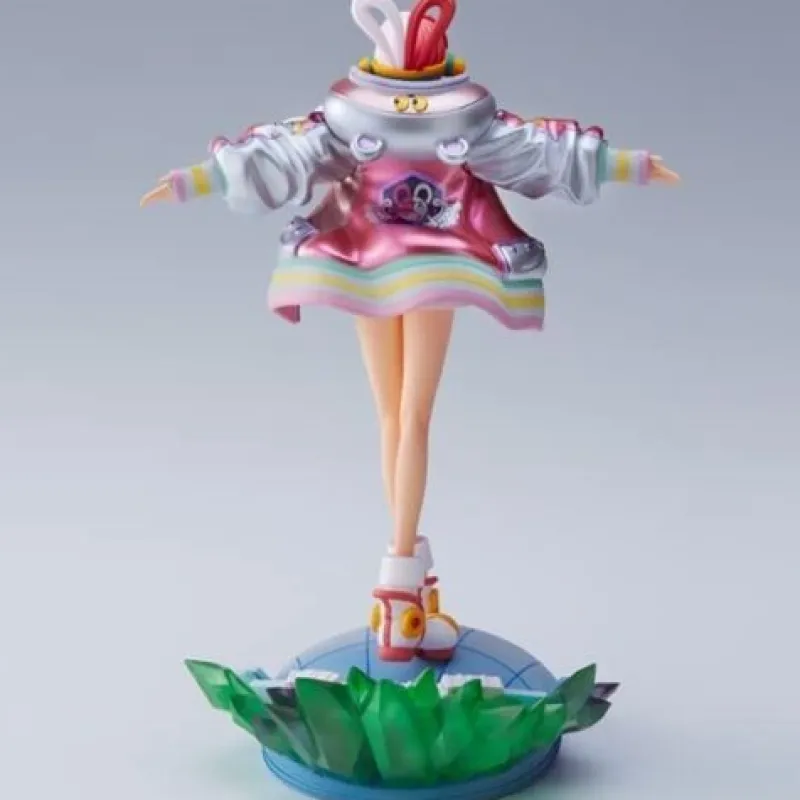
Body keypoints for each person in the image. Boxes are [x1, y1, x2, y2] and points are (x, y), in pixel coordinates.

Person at [140, 0, 679, 663]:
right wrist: (629, 165)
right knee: (409, 416)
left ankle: (406, 584)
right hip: (420, 261)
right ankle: (401, 583)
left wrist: (193, 182)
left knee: (396, 417)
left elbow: (291, 153)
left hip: (374, 260)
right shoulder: (405, 112)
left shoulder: (400, 111)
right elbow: (530, 150)